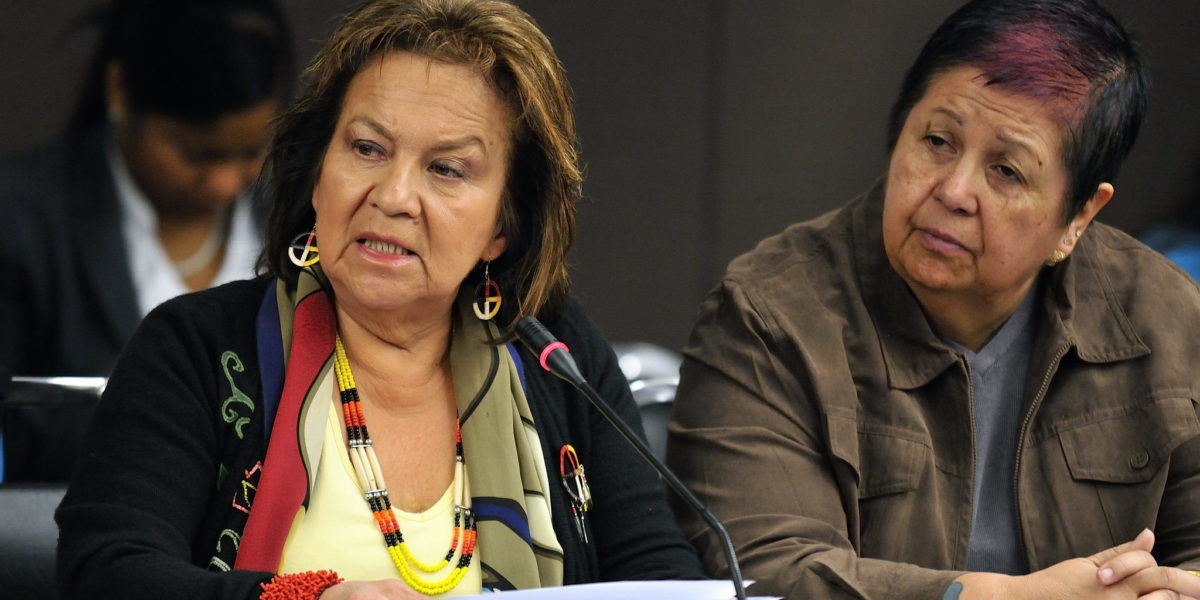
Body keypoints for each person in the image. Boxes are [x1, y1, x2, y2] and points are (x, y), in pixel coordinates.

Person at [56, 0, 705, 598]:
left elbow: (659, 576)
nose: (393, 195)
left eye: (446, 169)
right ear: (317, 177)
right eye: (367, 149)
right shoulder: (197, 347)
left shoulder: (556, 354)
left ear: (503, 226)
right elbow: (108, 571)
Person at [667, 1, 1200, 599]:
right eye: (939, 141)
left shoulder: (1167, 317)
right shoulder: (768, 318)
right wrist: (1005, 599)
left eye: (1006, 171)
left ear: (1078, 217)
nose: (954, 191)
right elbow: (764, 572)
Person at [0, 0, 292, 377]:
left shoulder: (303, 211)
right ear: (119, 88)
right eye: (196, 154)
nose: (224, 183)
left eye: (251, 151)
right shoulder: (21, 221)